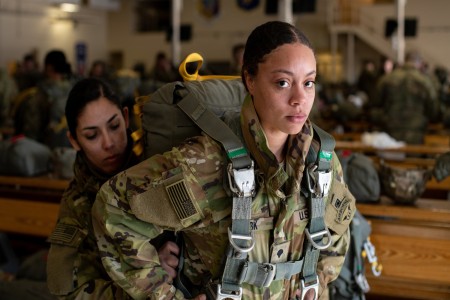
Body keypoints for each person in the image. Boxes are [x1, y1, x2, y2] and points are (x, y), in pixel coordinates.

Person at [92, 21, 356, 300]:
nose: (300, 98)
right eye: (283, 82)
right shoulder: (206, 164)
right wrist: (162, 294)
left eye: (309, 82)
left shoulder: (321, 162)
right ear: (250, 81)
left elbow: (335, 238)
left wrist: (317, 285)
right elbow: (113, 207)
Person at [46, 78, 179, 299]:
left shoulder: (160, 160)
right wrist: (147, 275)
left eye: (114, 125)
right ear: (74, 141)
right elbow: (69, 293)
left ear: (126, 118)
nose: (108, 142)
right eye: (92, 135)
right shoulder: (78, 204)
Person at [371, 51, 440, 144]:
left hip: (390, 129)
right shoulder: (425, 81)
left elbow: (375, 104)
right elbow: (433, 109)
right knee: (414, 157)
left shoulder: (387, 79)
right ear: (419, 63)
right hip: (416, 130)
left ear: (405, 60)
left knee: (391, 157)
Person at [13, 49, 78, 148]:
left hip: (46, 155)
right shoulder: (76, 91)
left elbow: (30, 134)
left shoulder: (38, 95)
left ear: (49, 67)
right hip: (72, 154)